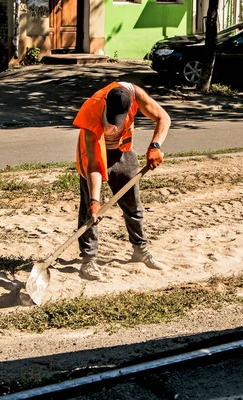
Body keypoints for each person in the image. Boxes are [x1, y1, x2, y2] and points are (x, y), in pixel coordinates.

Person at [73, 81, 171, 281]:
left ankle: (140, 251)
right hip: (94, 154)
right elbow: (94, 165)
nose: (115, 122)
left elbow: (164, 117)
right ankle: (88, 260)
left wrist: (155, 146)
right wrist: (95, 201)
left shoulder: (136, 94)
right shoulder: (91, 112)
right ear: (106, 103)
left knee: (133, 205)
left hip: (122, 152)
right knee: (89, 212)